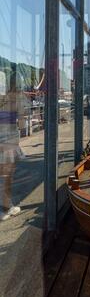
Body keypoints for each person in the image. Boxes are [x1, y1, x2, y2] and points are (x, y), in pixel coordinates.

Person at [0, 69, 26, 221]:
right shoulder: (17, 99)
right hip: (9, 142)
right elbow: (22, 125)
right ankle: (7, 207)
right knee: (8, 176)